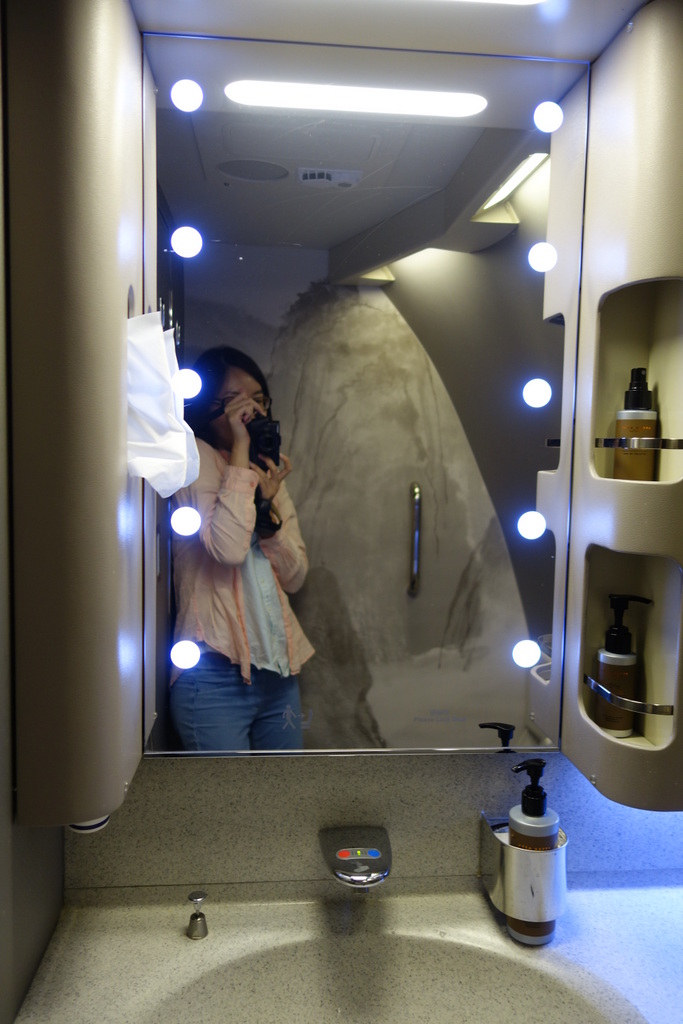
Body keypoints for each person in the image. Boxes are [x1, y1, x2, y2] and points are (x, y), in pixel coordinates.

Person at [169, 346, 314, 751]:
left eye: (258, 398)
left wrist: (268, 514)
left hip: (279, 672)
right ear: (208, 408)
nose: (249, 409)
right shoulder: (195, 457)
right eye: (234, 400)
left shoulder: (265, 473)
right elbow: (228, 548)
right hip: (213, 674)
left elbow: (296, 577)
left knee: (284, 788)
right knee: (224, 793)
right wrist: (238, 450)